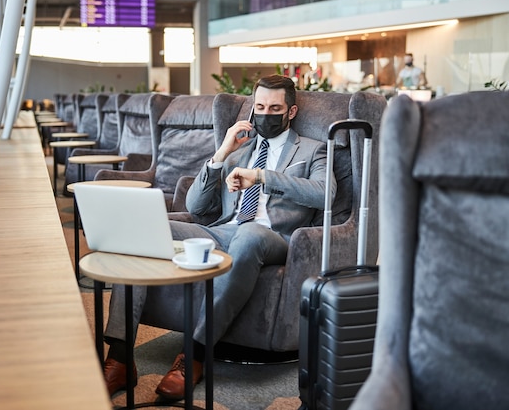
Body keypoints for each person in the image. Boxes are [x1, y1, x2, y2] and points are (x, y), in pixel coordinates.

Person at [101, 74, 336, 400]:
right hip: (223, 230)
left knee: (251, 235)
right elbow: (196, 207)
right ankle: (121, 356)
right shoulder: (240, 150)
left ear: (291, 111)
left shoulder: (313, 150)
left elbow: (325, 194)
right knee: (146, 228)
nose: (266, 113)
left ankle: (194, 354)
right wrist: (221, 154)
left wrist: (261, 176)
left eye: (275, 108)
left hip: (274, 236)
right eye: (260, 106)